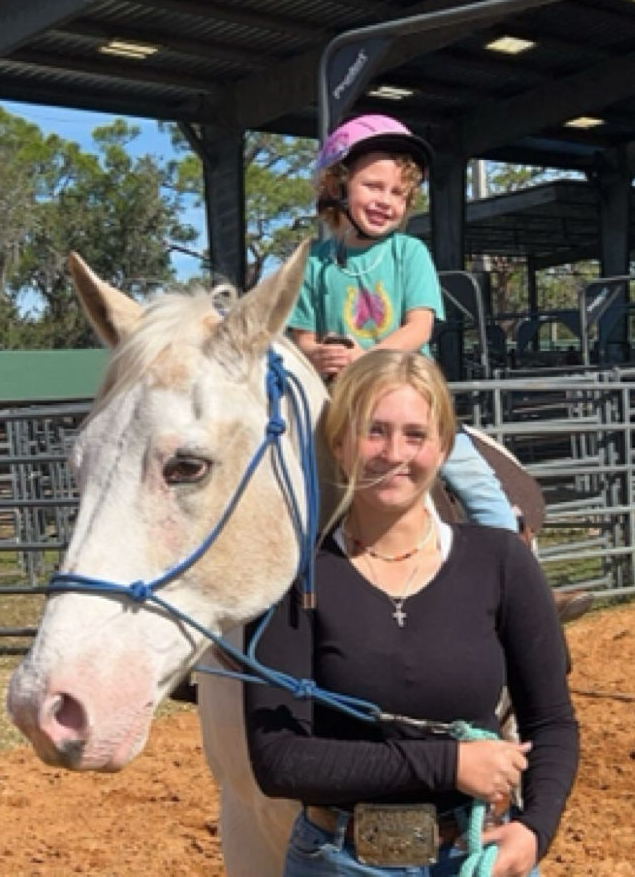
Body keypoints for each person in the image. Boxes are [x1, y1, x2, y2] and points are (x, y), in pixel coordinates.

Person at [244, 350, 579, 877]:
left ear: (442, 447)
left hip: (475, 852)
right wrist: (450, 764)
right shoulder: (295, 577)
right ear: (339, 444)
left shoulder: (502, 561)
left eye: (415, 435)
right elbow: (279, 761)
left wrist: (535, 828)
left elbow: (552, 721)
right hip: (339, 861)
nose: (393, 453)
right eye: (373, 431)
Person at [287, 113, 592, 624]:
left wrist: (367, 356)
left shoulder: (409, 253)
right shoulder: (314, 263)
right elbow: (301, 338)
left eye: (399, 193)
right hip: (340, 405)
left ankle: (528, 590)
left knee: (474, 479)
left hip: (409, 396)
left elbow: (419, 328)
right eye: (373, 186)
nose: (386, 200)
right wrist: (319, 354)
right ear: (338, 184)